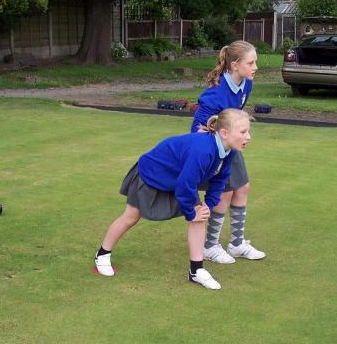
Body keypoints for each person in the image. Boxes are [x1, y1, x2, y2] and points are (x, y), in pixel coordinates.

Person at [94, 109, 252, 290]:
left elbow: (220, 180)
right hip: (151, 174)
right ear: (224, 133)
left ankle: (196, 271)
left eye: (248, 131)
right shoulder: (203, 150)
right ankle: (102, 254)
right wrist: (191, 211)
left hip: (176, 179)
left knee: (199, 216)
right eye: (243, 132)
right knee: (131, 216)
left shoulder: (228, 150)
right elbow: (186, 185)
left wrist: (206, 206)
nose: (248, 137)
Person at [191, 40, 266, 264]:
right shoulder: (215, 94)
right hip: (212, 146)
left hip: (230, 143)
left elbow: (236, 116)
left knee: (242, 187)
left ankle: (236, 244)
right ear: (235, 65)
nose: (255, 67)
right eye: (251, 62)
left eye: (255, 62)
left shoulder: (247, 84)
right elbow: (198, 126)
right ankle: (210, 246)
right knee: (224, 192)